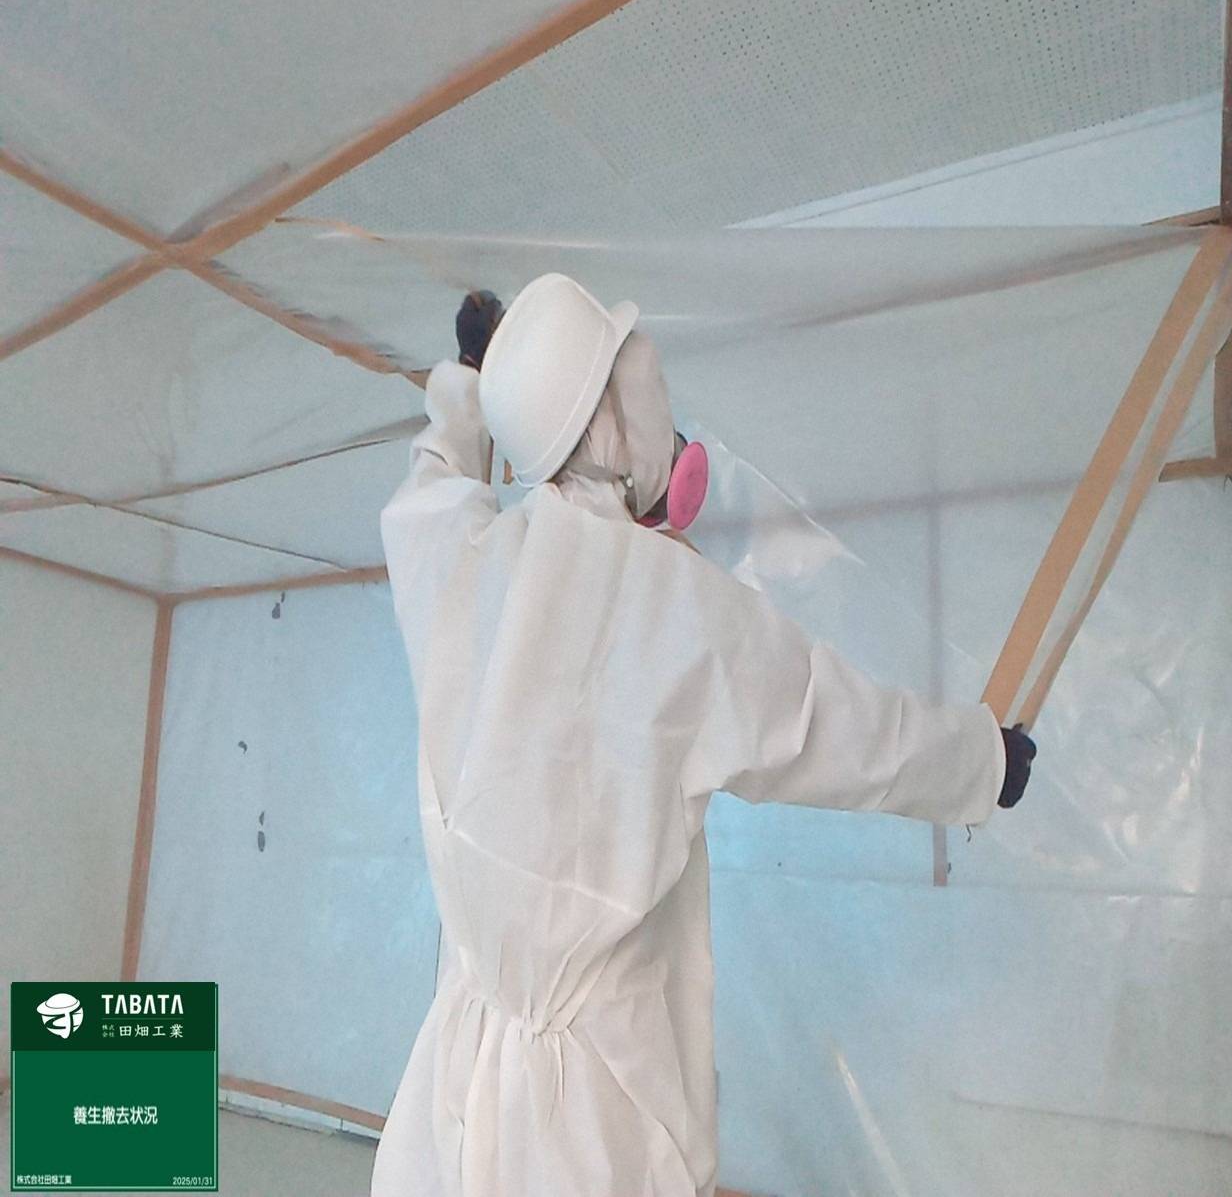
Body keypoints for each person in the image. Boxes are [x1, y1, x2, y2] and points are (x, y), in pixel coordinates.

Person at [372, 274, 1036, 1197]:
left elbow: (432, 484)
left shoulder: (461, 563)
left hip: (457, 1080)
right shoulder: (673, 604)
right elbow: (840, 728)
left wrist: (466, 387)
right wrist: (981, 761)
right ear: (617, 422)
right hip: (593, 1107)